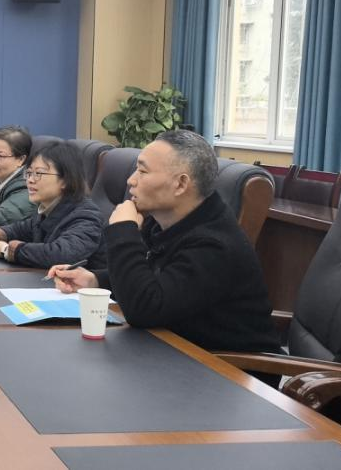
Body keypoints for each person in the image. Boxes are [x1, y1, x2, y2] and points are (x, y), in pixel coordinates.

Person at [48, 130, 279, 354]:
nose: (131, 180)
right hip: (172, 349)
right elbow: (155, 279)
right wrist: (95, 280)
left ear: (180, 184)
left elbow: (144, 309)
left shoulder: (215, 245)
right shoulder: (165, 223)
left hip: (226, 369)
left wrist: (122, 231)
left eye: (142, 171)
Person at [0, 142, 105, 269]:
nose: (30, 180)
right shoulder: (48, 207)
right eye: (29, 173)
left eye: (39, 174)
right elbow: (23, 229)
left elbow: (62, 254)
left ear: (65, 180)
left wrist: (7, 250)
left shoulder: (86, 216)